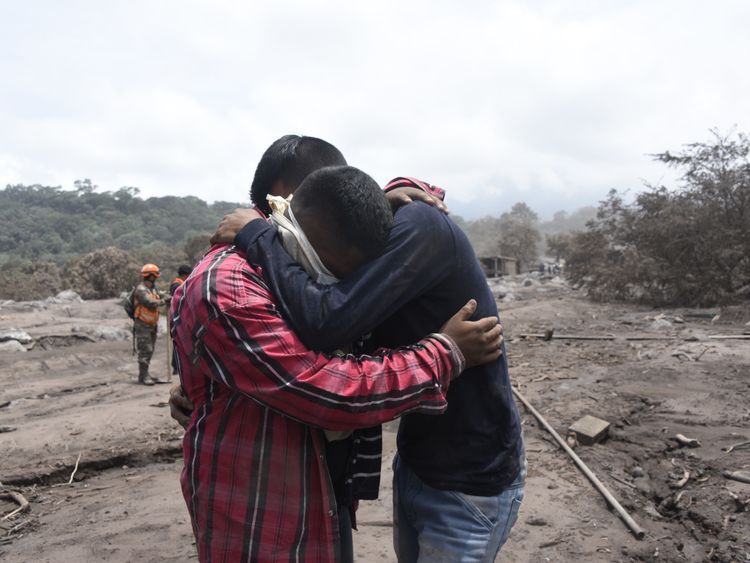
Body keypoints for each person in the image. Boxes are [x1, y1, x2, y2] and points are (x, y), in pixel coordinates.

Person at [170, 164, 503, 562]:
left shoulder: (381, 237)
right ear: (288, 200)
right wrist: (445, 352)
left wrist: (392, 194)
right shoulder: (233, 286)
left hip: (349, 494)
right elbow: (329, 388)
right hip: (262, 517)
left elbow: (336, 327)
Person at [133, 263, 168, 385]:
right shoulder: (141, 289)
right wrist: (163, 301)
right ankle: (143, 376)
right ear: (151, 276)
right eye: (155, 276)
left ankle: (145, 374)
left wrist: (166, 296)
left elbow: (158, 295)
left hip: (152, 324)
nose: (156, 278)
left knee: (150, 350)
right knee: (145, 350)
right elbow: (149, 302)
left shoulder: (152, 289)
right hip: (142, 325)